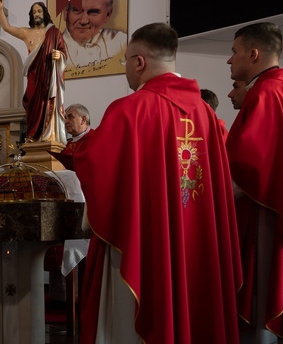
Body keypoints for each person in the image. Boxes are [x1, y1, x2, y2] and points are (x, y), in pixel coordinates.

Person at [73, 23, 241, 343]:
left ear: (139, 62)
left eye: (125, 62)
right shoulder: (207, 116)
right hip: (199, 243)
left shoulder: (129, 111)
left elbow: (98, 171)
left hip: (143, 244)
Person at [225, 22, 283, 341]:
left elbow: (250, 163)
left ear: (253, 53)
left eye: (234, 51)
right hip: (278, 203)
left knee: (261, 293)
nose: (229, 60)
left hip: (267, 207)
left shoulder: (266, 90)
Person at [0, 0, 67, 142]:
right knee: (33, 106)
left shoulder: (54, 33)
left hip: (49, 77)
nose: (36, 14)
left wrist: (59, 55)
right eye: (34, 12)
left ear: (44, 13)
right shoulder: (27, 33)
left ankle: (48, 135)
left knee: (47, 105)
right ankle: (32, 136)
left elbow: (63, 52)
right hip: (34, 76)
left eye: (39, 11)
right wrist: (0, 10)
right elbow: (7, 27)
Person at [61, 0, 127, 70]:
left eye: (93, 12)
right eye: (77, 11)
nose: (84, 21)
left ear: (108, 14)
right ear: (65, 12)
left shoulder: (121, 42)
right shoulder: (51, 49)